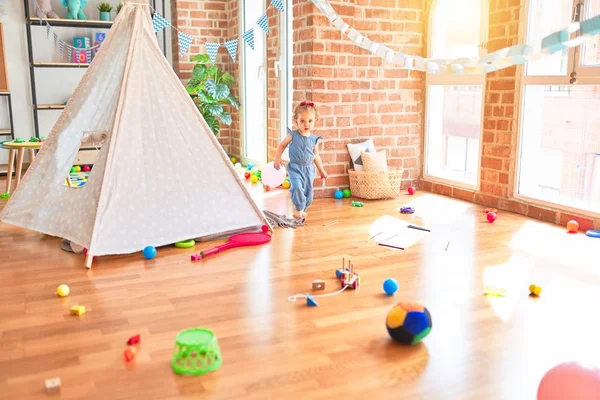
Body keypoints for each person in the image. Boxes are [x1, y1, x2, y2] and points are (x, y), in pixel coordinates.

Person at [274, 101, 327, 220]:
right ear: (296, 121)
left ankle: (303, 209)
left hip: (309, 169)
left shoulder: (314, 139)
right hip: (295, 168)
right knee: (297, 187)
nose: (306, 124)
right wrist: (278, 157)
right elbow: (282, 145)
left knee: (308, 191)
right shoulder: (292, 135)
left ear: (315, 120)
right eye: (302, 120)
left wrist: (321, 170)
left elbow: (316, 156)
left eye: (310, 121)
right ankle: (299, 209)